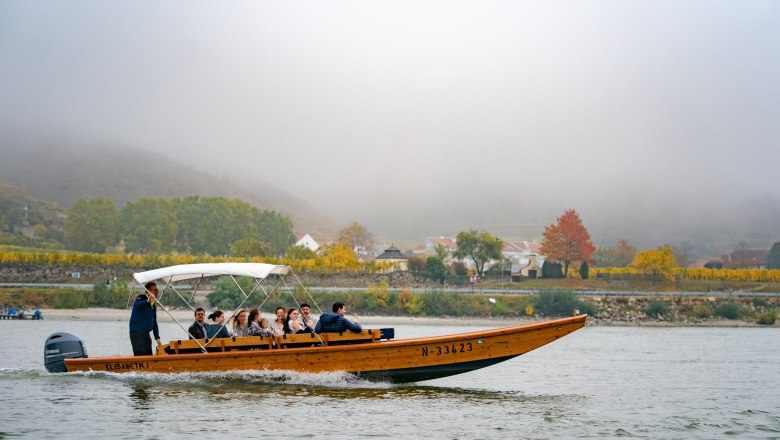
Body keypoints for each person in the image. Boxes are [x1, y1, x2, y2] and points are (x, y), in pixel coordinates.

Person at [129, 282, 161, 356]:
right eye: (155, 290)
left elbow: (154, 323)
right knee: (141, 356)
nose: (157, 292)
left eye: (157, 290)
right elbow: (138, 305)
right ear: (149, 290)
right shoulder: (140, 298)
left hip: (146, 333)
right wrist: (148, 300)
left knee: (149, 355)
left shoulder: (153, 305)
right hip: (137, 333)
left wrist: (157, 337)